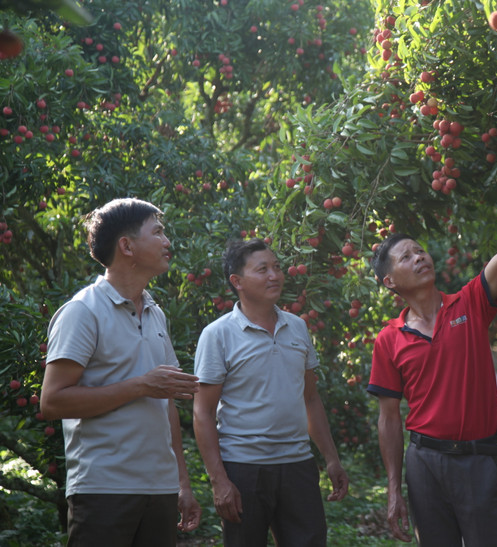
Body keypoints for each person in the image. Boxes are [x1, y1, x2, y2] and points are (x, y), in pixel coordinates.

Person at [367, 173, 497, 546]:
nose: (419, 257)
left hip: (479, 458)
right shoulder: (389, 339)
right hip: (425, 464)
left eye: (419, 250)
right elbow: (389, 418)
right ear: (390, 281)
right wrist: (394, 489)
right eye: (406, 257)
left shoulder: (470, 302)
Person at [40, 198, 202, 546]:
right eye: (157, 232)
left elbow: (167, 404)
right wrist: (141, 385)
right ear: (126, 246)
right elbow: (52, 401)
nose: (167, 241)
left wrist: (181, 483)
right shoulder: (82, 312)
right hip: (103, 488)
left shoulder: (156, 313)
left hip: (159, 488)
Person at [193, 238, 349, 547]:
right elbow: (203, 412)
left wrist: (331, 458)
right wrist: (219, 480)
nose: (274, 275)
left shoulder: (297, 327)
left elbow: (310, 398)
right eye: (262, 269)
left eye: (276, 267)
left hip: (298, 465)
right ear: (236, 281)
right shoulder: (218, 335)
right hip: (244, 470)